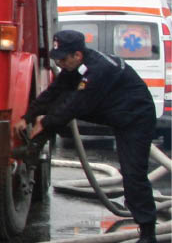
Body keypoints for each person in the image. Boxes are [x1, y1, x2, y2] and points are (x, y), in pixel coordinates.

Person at [15, 29, 158, 243]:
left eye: (63, 59)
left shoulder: (98, 71)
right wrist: (27, 117)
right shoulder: (75, 66)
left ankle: (148, 234)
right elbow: (53, 93)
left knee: (133, 175)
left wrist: (44, 122)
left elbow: (75, 106)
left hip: (135, 119)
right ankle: (33, 148)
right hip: (112, 111)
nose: (60, 63)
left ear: (77, 55)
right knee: (59, 104)